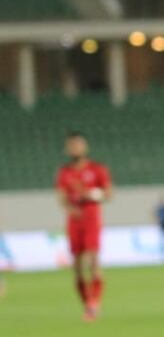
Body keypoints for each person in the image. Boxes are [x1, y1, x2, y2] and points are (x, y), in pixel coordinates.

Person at [55, 132, 112, 321]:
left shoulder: (97, 169)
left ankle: (94, 303)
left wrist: (94, 195)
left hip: (92, 217)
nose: (75, 148)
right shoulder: (65, 172)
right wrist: (71, 208)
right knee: (78, 265)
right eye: (72, 145)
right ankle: (87, 304)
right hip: (75, 220)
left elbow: (108, 194)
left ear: (85, 147)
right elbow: (61, 197)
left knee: (92, 259)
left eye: (78, 145)